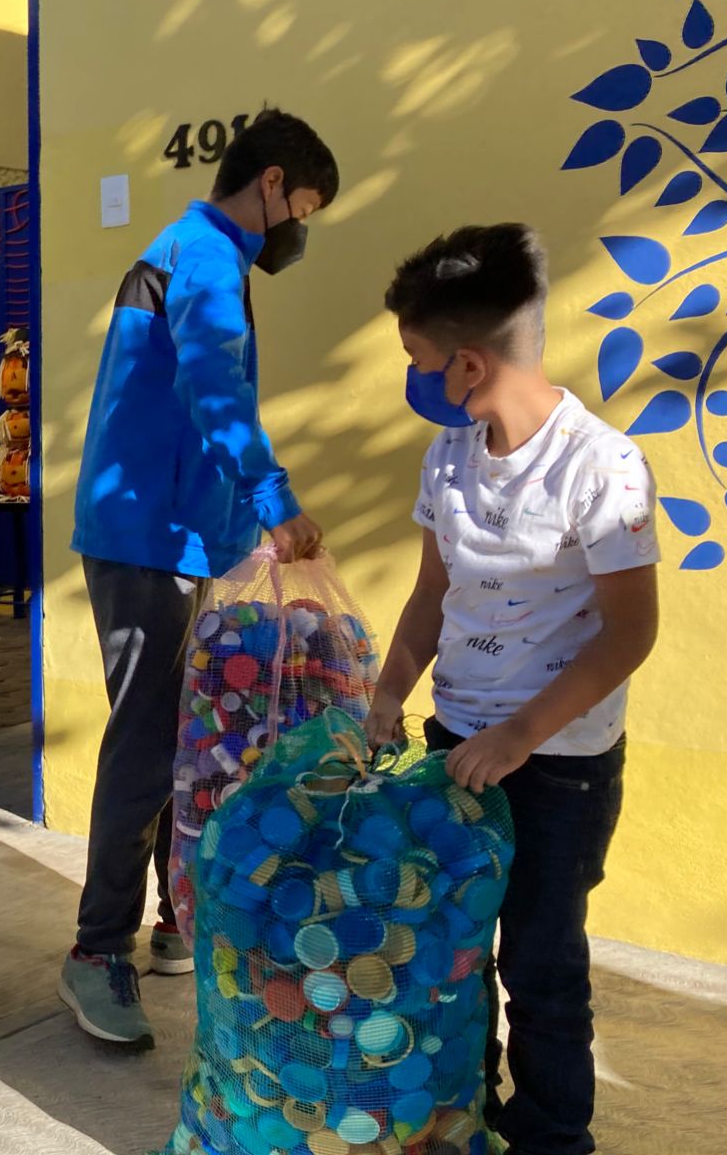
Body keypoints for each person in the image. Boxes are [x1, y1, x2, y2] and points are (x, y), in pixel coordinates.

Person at [365, 223, 659, 1155]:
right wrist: (388, 696)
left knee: (538, 967)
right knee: (450, 953)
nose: (410, 378)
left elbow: (630, 633)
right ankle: (464, 1117)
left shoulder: (600, 467)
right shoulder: (448, 458)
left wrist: (522, 736)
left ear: (465, 363)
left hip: (557, 767)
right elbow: (430, 594)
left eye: (415, 358)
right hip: (459, 745)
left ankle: (551, 1136)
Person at [63, 107, 338, 1048]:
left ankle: (171, 918)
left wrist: (236, 538)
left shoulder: (192, 252)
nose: (301, 225)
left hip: (184, 538)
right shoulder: (208, 256)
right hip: (145, 541)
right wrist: (273, 500)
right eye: (305, 204)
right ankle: (97, 951)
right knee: (147, 742)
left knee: (196, 733)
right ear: (271, 184)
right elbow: (212, 390)